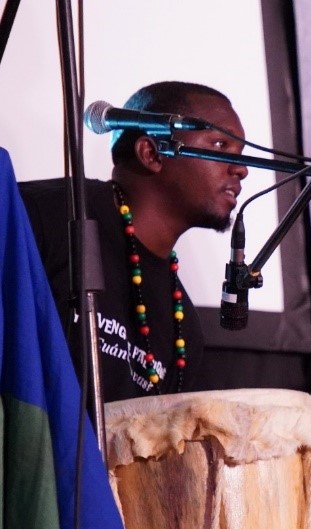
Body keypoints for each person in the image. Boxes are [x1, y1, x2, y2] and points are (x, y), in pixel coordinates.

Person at [19, 81, 249, 402]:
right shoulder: (45, 213)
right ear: (151, 153)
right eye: (221, 145)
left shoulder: (184, 326)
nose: (241, 169)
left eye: (240, 153)